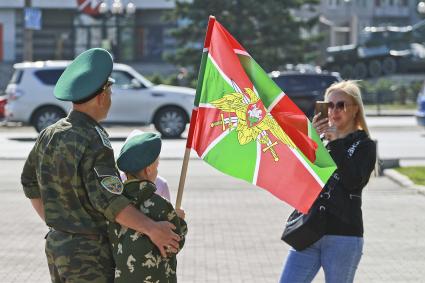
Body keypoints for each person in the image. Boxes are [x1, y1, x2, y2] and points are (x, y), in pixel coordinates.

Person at [21, 48, 180, 283]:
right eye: (110, 91)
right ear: (102, 95)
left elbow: (30, 184)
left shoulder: (49, 133)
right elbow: (111, 202)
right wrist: (152, 229)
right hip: (89, 255)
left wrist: (61, 223)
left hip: (57, 246)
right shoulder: (94, 140)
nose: (111, 97)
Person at [279, 80, 376, 283]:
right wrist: (310, 140)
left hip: (343, 236)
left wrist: (336, 143)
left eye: (341, 105)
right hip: (309, 231)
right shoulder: (320, 141)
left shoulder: (364, 145)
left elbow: (353, 182)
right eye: (329, 105)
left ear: (355, 109)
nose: (334, 110)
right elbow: (298, 178)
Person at [110, 131, 187, 282]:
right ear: (149, 169)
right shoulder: (160, 205)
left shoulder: (116, 203)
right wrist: (180, 221)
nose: (157, 170)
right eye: (157, 165)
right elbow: (173, 246)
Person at [120, 129, 172, 201]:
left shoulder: (117, 186)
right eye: (157, 166)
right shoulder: (161, 188)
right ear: (148, 170)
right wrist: (174, 212)